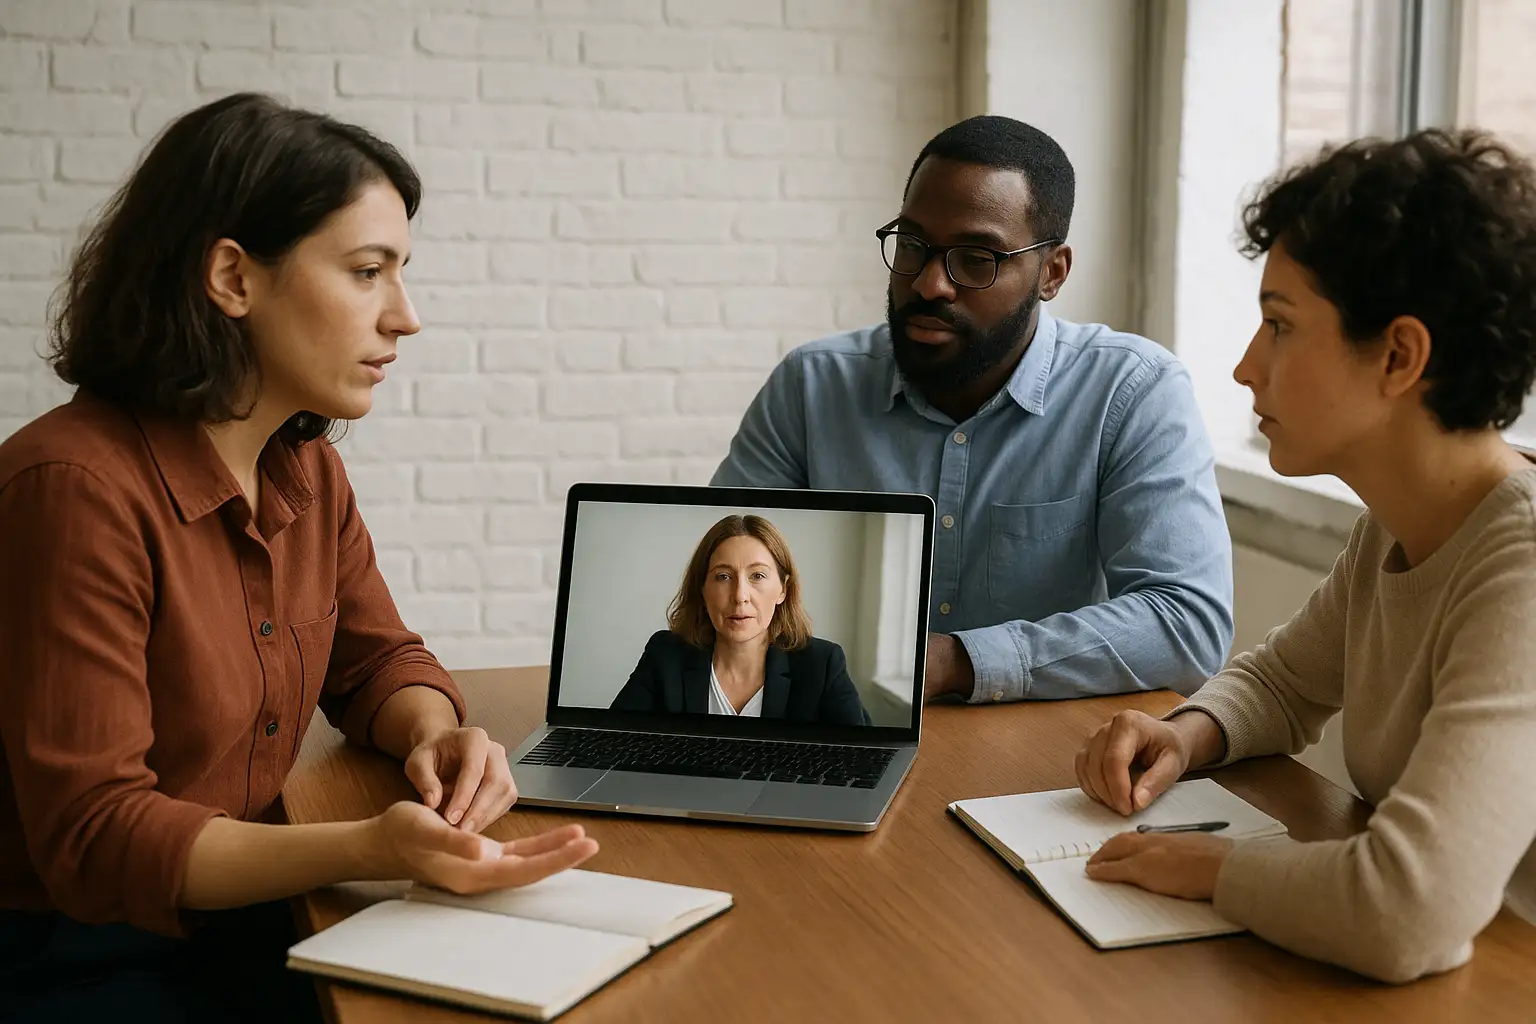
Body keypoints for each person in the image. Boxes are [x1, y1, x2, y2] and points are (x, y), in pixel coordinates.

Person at [0, 94, 598, 1022]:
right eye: (368, 272)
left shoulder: (305, 468)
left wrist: (434, 735)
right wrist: (369, 847)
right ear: (233, 278)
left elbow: (379, 663)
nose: (406, 316)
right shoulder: (72, 486)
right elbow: (99, 839)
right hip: (74, 952)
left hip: (242, 911)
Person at [1072, 129, 1536, 984]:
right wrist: (1187, 735)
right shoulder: (1399, 520)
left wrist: (1207, 869)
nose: (1247, 367)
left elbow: (1408, 909)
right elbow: (1285, 684)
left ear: (1400, 356)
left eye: (1280, 326)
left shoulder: (1523, 565)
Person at [711, 115, 1234, 705]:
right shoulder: (810, 387)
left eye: (977, 259)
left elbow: (1188, 622)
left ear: (1051, 273)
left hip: (1036, 755)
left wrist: (959, 662)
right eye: (913, 246)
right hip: (841, 723)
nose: (931, 284)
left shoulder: (1132, 391)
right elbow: (718, 564)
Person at [610, 515, 871, 726]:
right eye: (723, 577)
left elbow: (863, 760)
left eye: (757, 576)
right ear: (702, 589)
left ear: (783, 589)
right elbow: (611, 739)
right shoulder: (664, 654)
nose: (740, 596)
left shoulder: (822, 663)